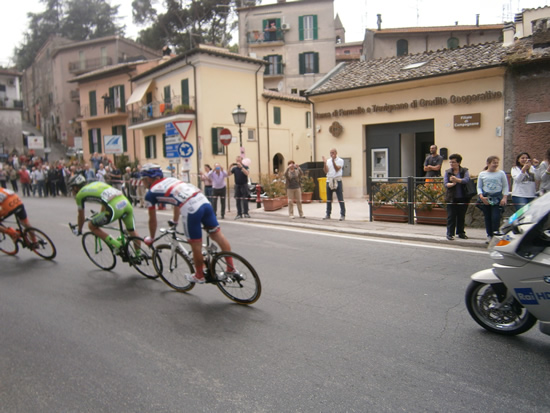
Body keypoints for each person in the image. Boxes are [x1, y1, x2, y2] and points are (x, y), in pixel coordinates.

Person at [140, 164, 234, 284]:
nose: (142, 183)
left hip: (191, 209)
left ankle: (199, 274)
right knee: (218, 236)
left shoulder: (150, 193)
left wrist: (151, 238)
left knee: (196, 245)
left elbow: (152, 220)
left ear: (148, 179)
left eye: (142, 180)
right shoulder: (171, 180)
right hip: (204, 202)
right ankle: (231, 268)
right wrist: (174, 221)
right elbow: (176, 203)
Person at [68, 174, 140, 252]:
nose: (72, 191)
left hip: (114, 208)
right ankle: (138, 255)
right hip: (126, 203)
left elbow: (81, 216)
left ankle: (117, 246)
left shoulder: (79, 195)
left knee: (91, 226)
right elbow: (104, 201)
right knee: (132, 232)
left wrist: (79, 230)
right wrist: (101, 214)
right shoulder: (96, 183)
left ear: (76, 187)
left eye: (72, 188)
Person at [477, 155, 509, 243]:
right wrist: (481, 196)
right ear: (488, 163)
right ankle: (489, 235)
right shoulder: (482, 174)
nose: (495, 165)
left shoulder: (501, 173)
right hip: (486, 197)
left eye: (497, 163)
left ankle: (496, 234)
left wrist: (504, 197)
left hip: (497, 197)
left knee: (496, 217)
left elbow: (505, 186)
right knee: (487, 217)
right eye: (494, 163)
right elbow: (479, 187)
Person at [443, 154, 471, 240]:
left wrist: (457, 180)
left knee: (461, 215)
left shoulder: (464, 171)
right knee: (451, 216)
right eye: (450, 162)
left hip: (463, 197)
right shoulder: (448, 172)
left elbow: (466, 180)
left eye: (453, 162)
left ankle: (461, 232)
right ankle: (450, 233)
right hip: (451, 197)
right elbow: (445, 183)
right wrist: (452, 184)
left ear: (458, 162)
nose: (451, 164)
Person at [322, 148, 346, 221]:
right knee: (329, 199)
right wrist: (325, 163)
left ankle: (342, 214)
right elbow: (326, 171)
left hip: (337, 180)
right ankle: (328, 214)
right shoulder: (328, 161)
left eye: (332, 152)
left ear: (336, 153)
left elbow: (337, 169)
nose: (331, 154)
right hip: (329, 180)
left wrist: (333, 161)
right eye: (330, 153)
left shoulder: (340, 160)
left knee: (340, 198)